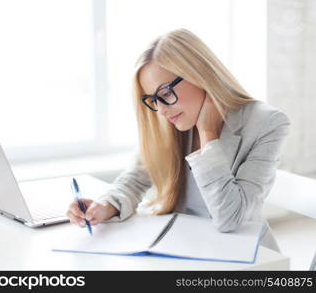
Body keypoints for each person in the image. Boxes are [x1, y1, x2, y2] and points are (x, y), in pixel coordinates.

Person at [66, 28, 290, 252]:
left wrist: (208, 135)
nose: (161, 110)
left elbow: (230, 219)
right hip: (184, 248)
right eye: (153, 100)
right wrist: (105, 206)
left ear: (199, 75)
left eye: (165, 94)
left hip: (245, 258)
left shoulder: (267, 123)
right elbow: (135, 178)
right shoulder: (170, 122)